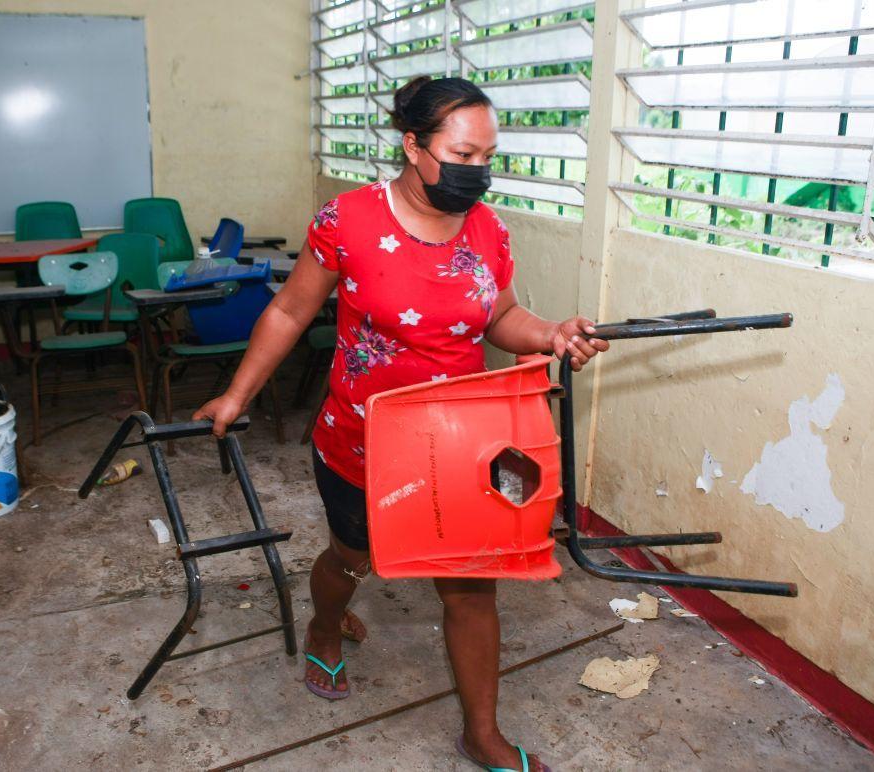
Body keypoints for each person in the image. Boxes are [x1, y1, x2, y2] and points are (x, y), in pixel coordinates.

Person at [194, 76, 608, 772]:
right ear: (412, 145)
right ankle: (327, 628)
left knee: (471, 586)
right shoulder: (348, 219)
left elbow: (502, 316)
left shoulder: (488, 228)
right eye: (462, 154)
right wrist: (237, 394)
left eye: (488, 156)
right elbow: (290, 310)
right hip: (363, 441)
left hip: (461, 446)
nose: (477, 171)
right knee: (351, 559)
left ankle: (481, 732)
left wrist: (550, 334)